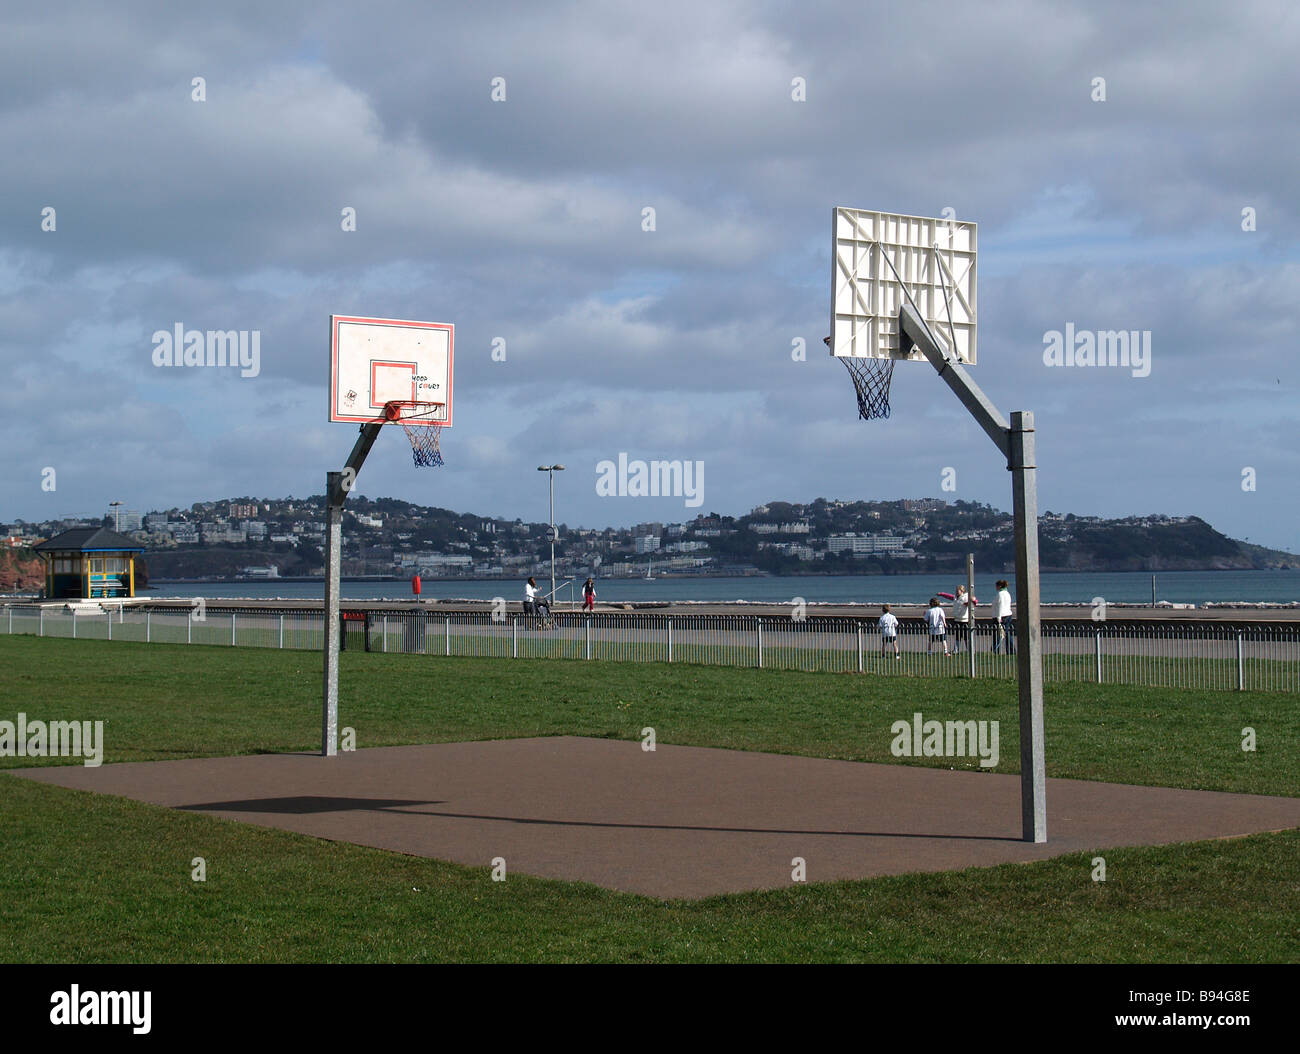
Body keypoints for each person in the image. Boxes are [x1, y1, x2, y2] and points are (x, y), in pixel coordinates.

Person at [994, 579, 1015, 654]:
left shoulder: (1001, 594)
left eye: (996, 586)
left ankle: (995, 649)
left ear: (999, 586)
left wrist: (999, 617)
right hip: (1008, 614)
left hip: (1002, 616)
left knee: (1001, 634)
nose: (995, 587)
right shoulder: (1007, 593)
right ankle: (1010, 650)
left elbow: (1001, 605)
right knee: (1006, 633)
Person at [952, 584, 971, 653]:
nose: (956, 592)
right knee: (957, 636)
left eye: (958, 590)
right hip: (957, 619)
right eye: (956, 590)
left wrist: (972, 601)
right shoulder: (955, 598)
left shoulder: (965, 597)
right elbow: (949, 596)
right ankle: (956, 650)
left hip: (964, 620)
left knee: (966, 636)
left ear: (962, 591)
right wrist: (942, 594)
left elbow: (971, 603)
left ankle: (969, 649)